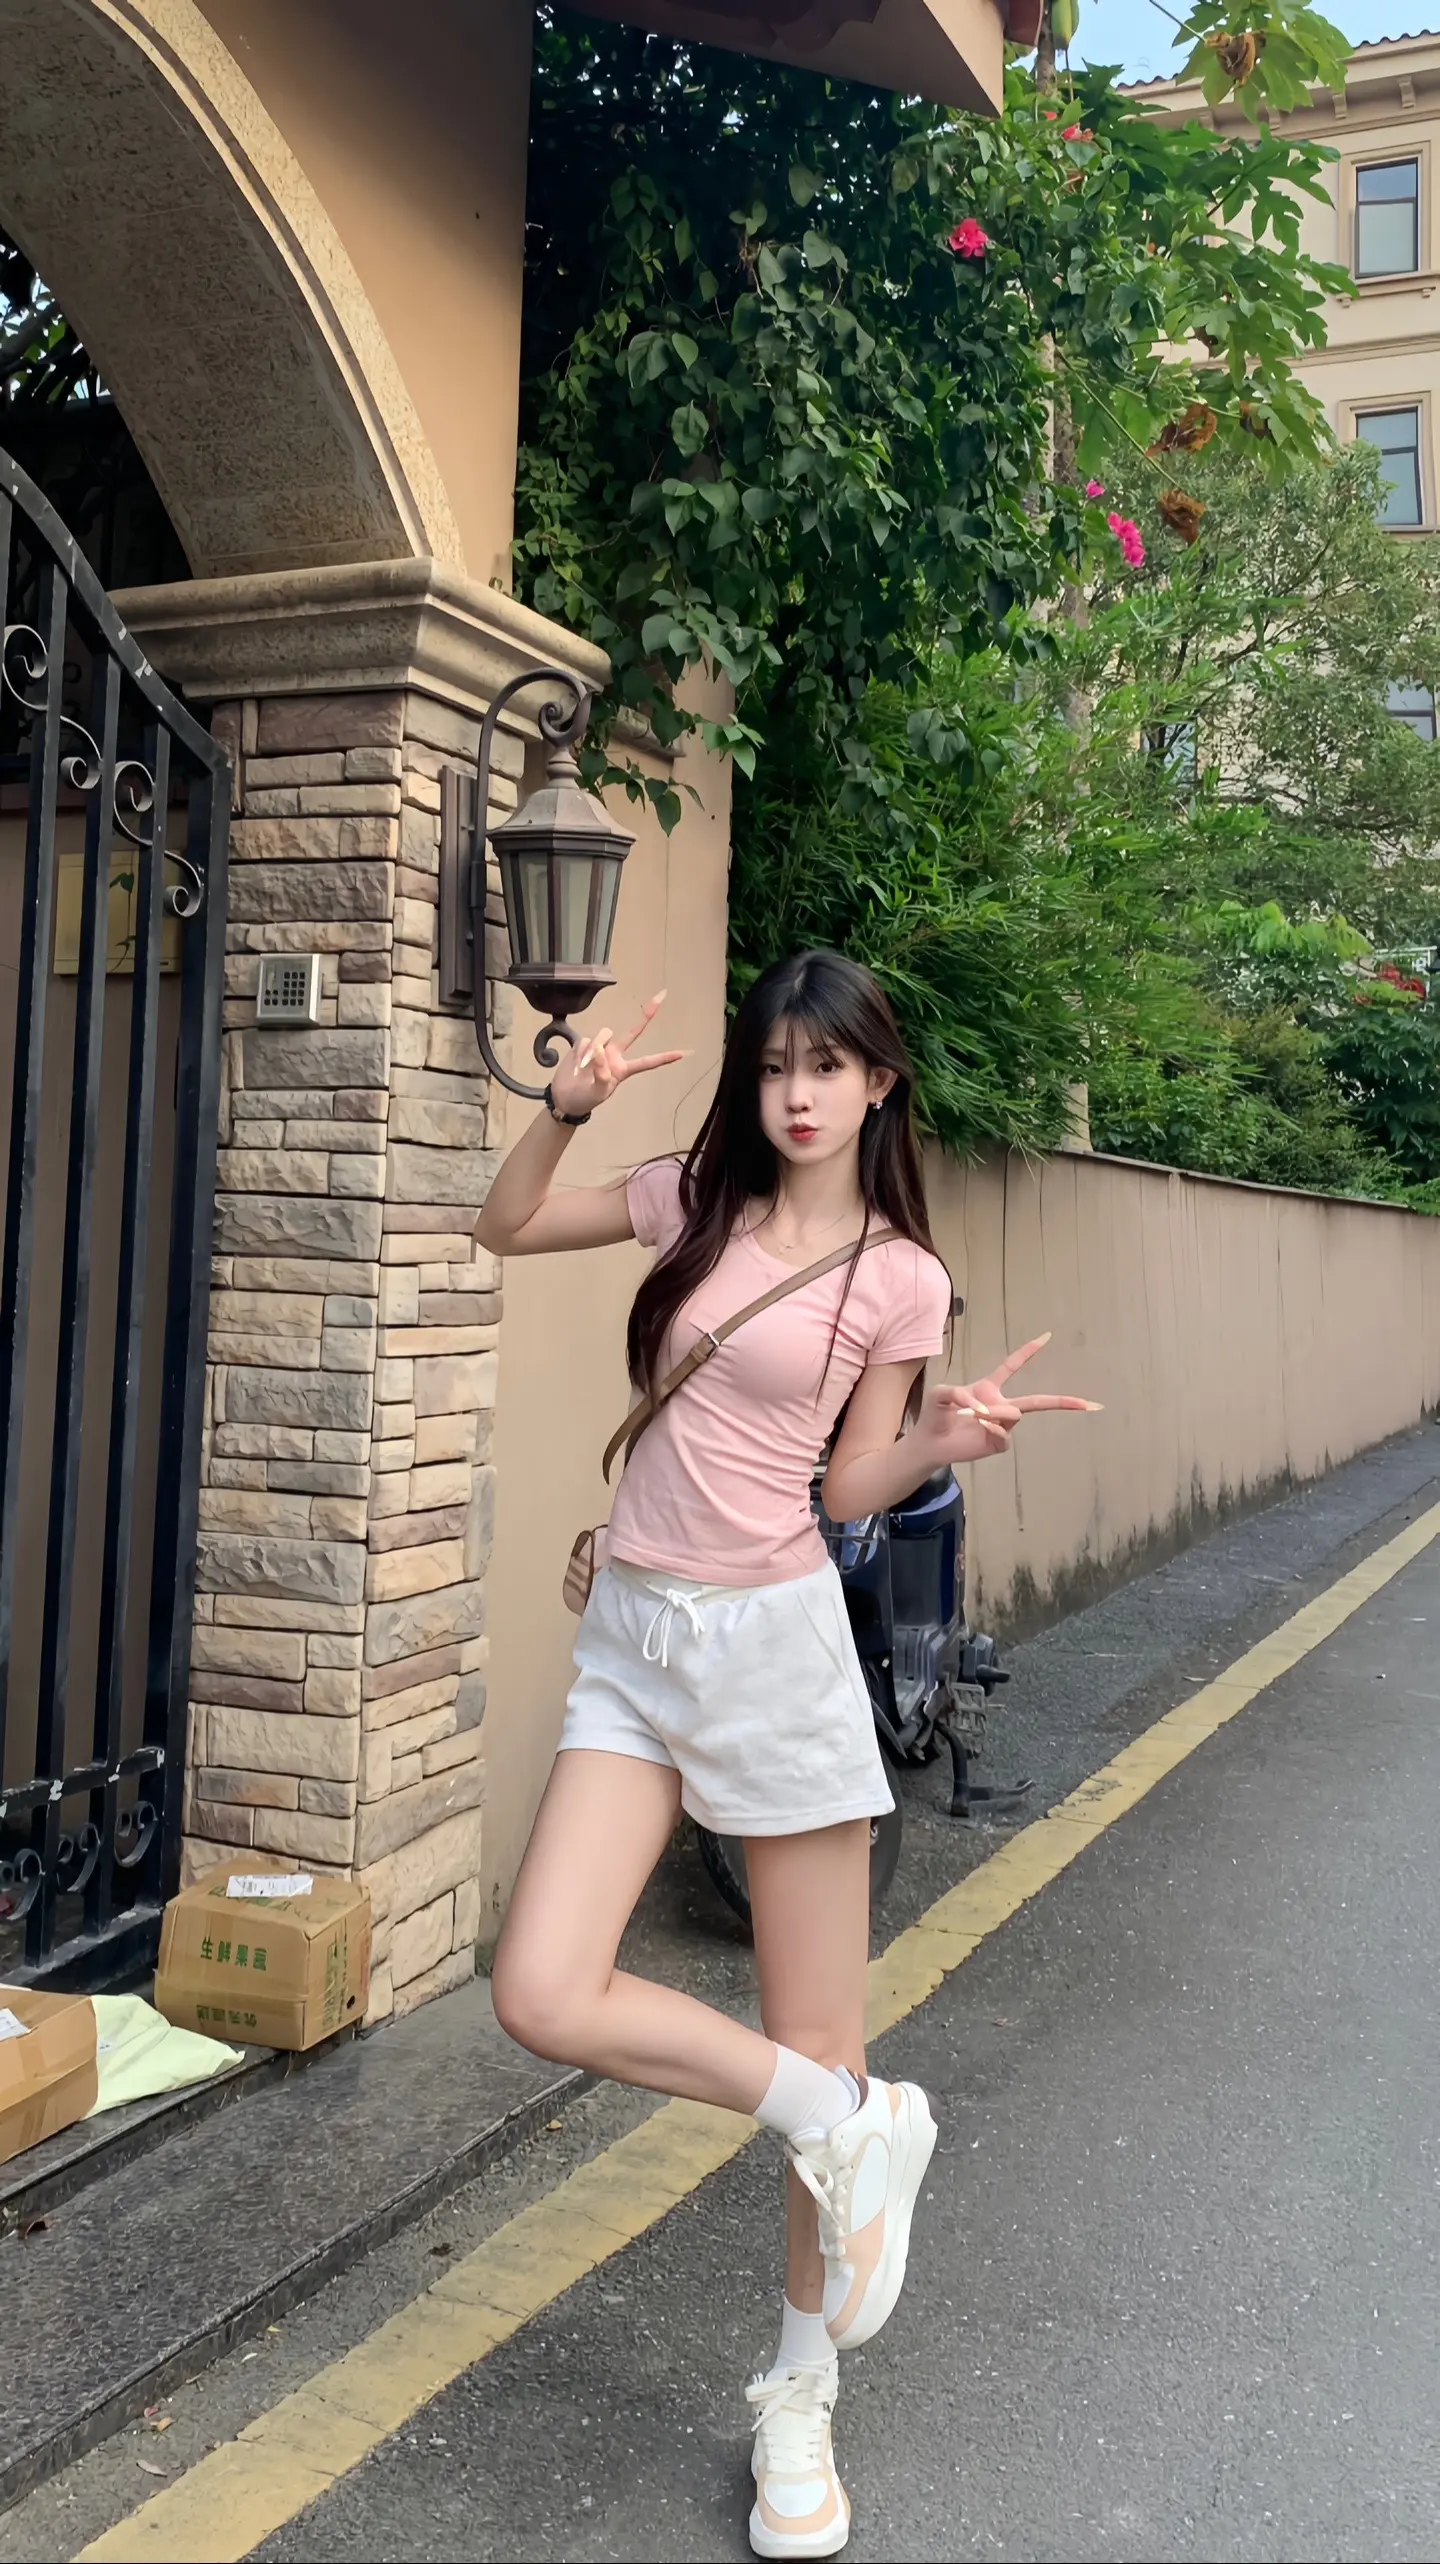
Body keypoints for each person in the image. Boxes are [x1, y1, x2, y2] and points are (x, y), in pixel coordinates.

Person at [479, 949, 1099, 2560]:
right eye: (773, 1065)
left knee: (817, 2024)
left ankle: (800, 2396)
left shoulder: (899, 1278)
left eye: (827, 1067)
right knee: (544, 1990)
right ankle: (842, 2121)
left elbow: (841, 1489)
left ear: (878, 1082)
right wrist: (561, 1111)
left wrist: (939, 1441)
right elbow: (504, 1224)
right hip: (634, 1641)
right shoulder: (691, 1198)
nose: (797, 1094)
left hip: (772, 1652)